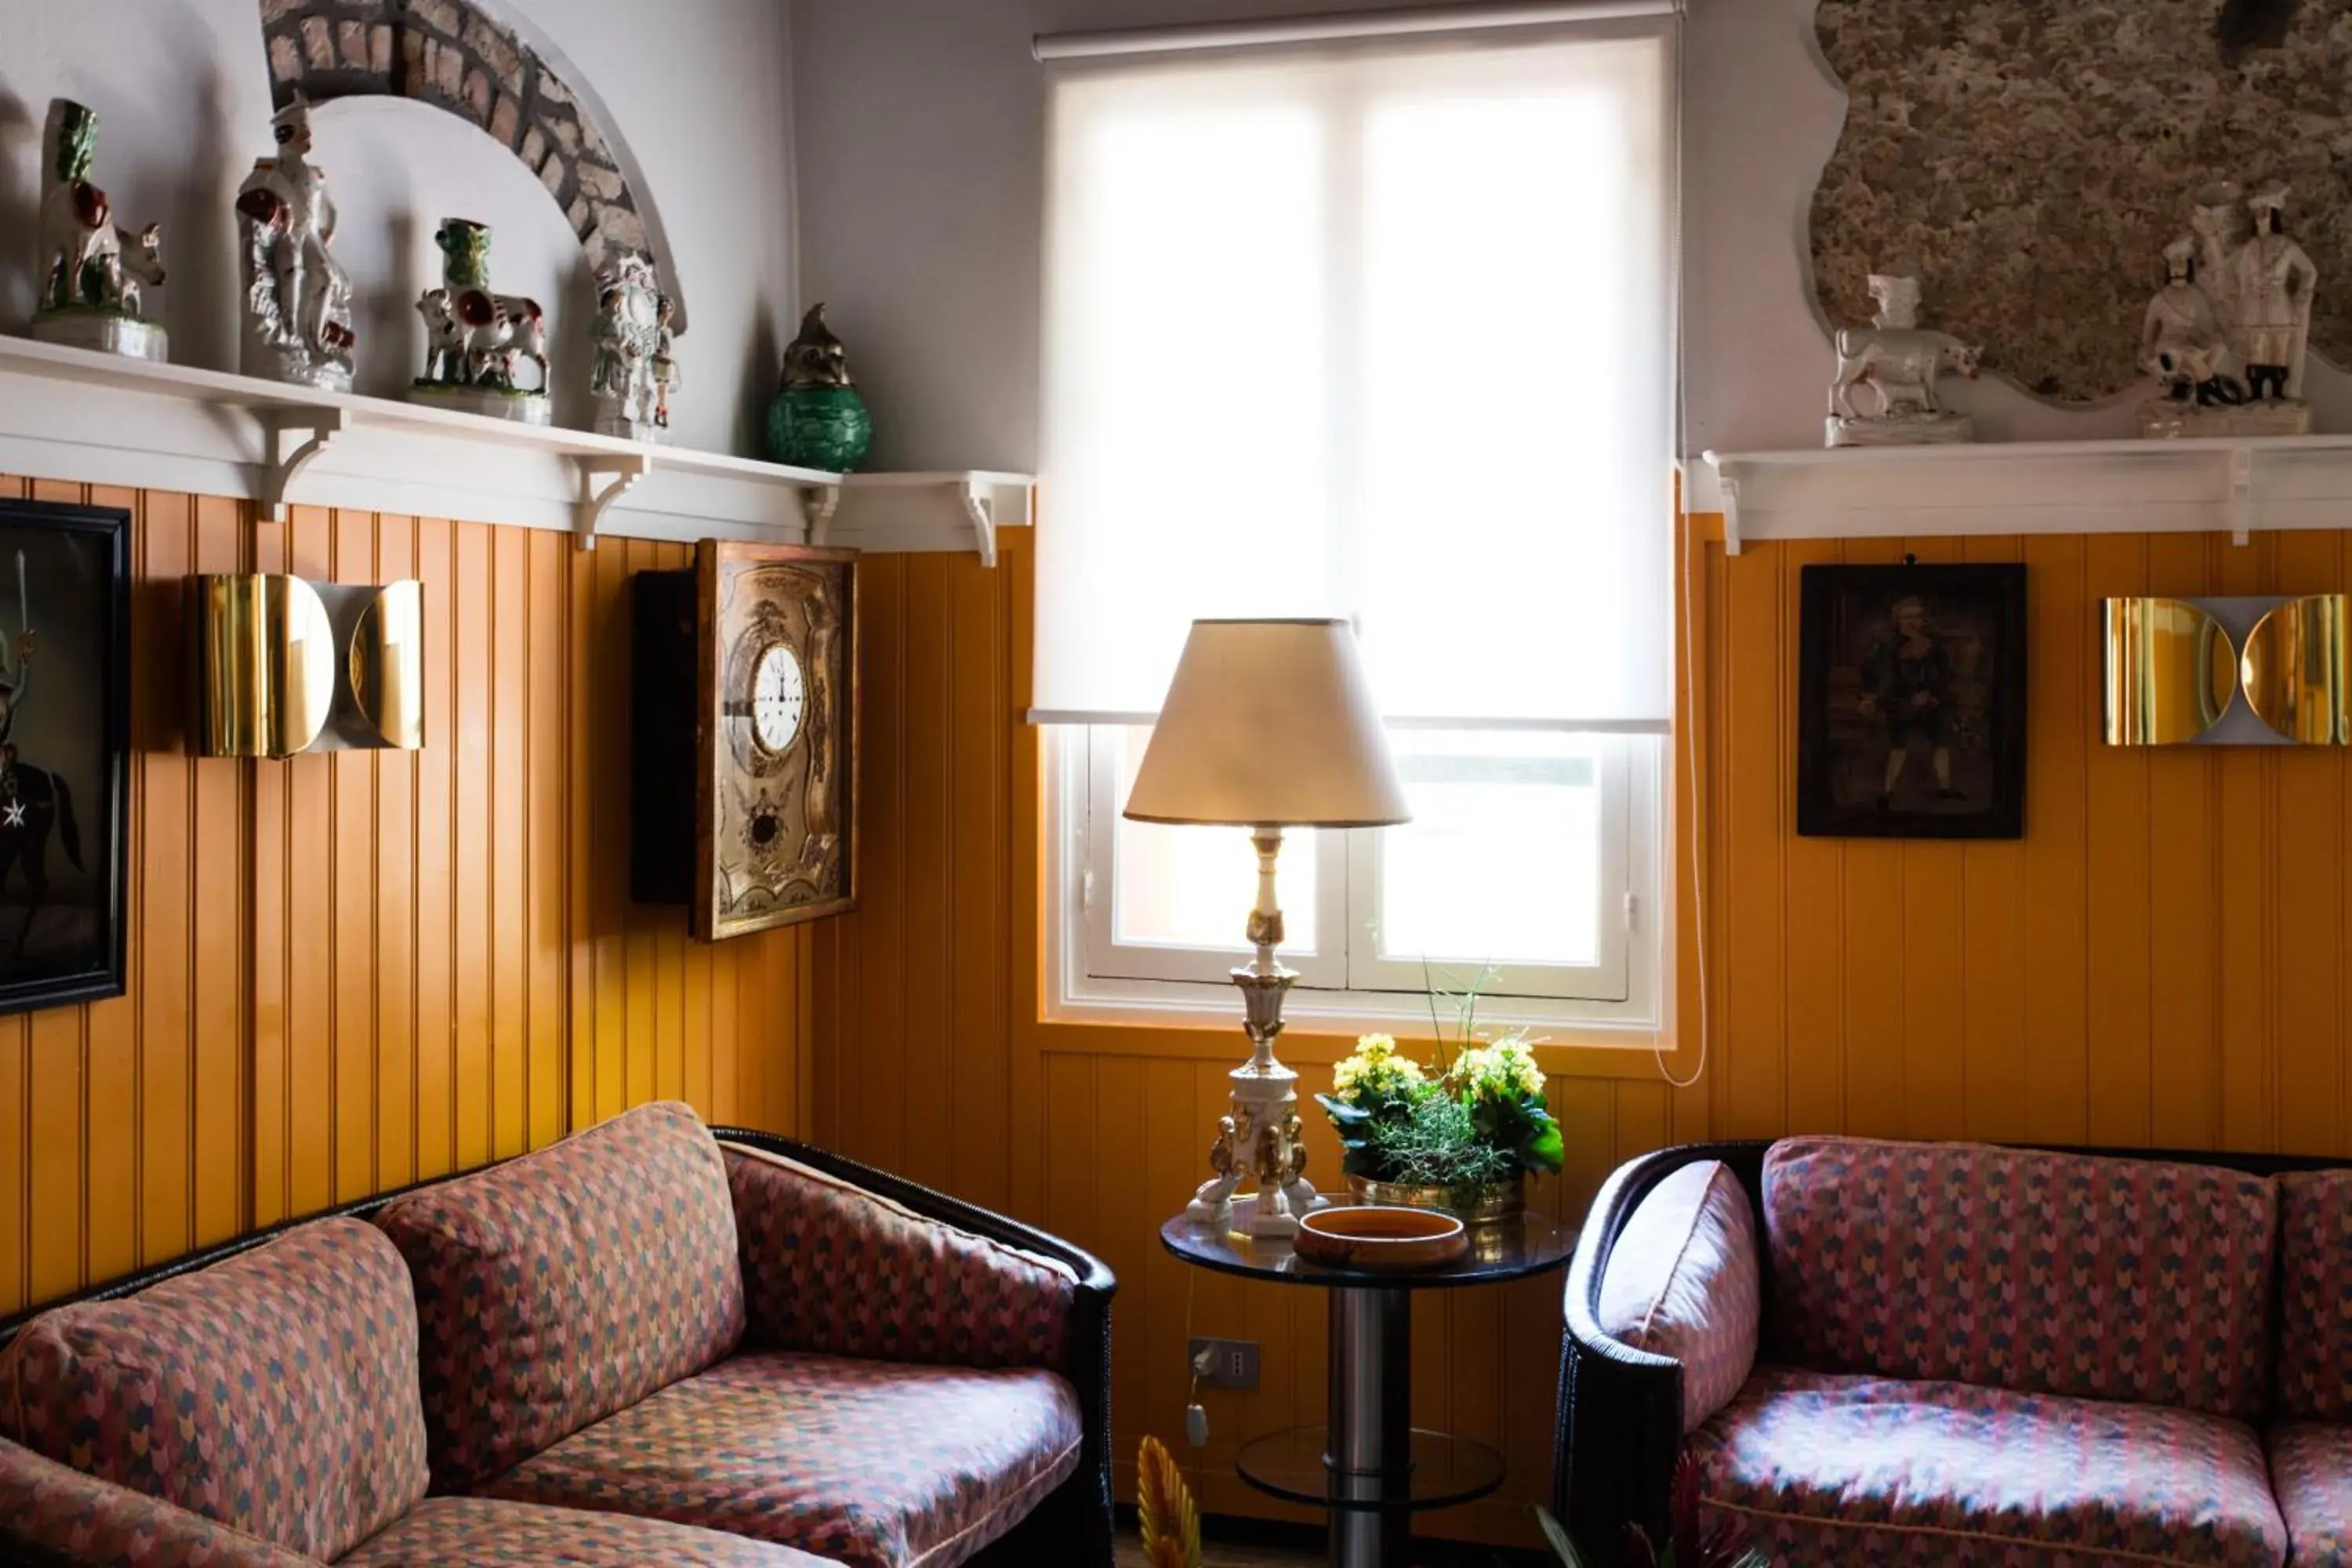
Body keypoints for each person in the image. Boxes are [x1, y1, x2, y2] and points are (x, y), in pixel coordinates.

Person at [1856, 597, 1963, 808]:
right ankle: (1888, 792)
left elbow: (1946, 676)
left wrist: (1932, 695)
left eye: (1917, 617)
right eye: (1907, 617)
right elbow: (1877, 677)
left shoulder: (1935, 648)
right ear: (1897, 621)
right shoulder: (1887, 649)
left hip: (1932, 703)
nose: (1913, 621)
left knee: (1941, 745)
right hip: (1900, 703)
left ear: (1924, 621)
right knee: (1898, 748)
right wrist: (1869, 699)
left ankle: (1945, 787)